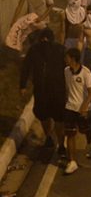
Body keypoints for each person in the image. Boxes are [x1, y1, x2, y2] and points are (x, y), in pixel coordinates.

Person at [20, 27, 66, 158]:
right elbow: (26, 68)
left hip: (57, 89)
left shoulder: (60, 50)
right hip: (42, 90)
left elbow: (67, 68)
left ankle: (61, 144)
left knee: (58, 118)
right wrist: (22, 85)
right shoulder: (34, 50)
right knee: (43, 115)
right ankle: (49, 137)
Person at [62, 47, 91, 175]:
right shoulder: (66, 71)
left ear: (73, 59)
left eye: (67, 57)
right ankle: (72, 161)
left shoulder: (86, 73)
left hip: (83, 109)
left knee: (86, 130)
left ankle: (89, 144)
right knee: (70, 134)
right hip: (70, 108)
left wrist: (84, 107)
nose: (65, 60)